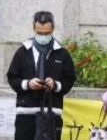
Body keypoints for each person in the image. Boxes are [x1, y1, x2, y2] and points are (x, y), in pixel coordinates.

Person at [6, 11, 77, 140]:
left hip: (52, 113)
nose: (43, 36)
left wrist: (55, 85)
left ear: (53, 29)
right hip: (26, 113)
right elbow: (12, 77)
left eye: (47, 33)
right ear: (34, 28)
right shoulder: (23, 51)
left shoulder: (62, 53)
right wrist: (28, 84)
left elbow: (70, 79)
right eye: (39, 33)